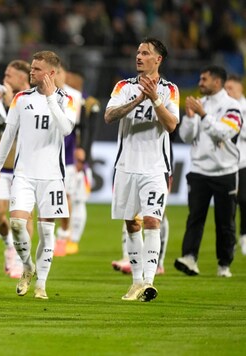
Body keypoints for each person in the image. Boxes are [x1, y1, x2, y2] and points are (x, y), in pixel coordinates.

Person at [0, 50, 77, 300]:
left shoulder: (66, 99)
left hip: (52, 177)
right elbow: (8, 134)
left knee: (47, 232)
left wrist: (50, 99)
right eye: (31, 68)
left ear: (50, 73)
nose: (31, 72)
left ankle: (42, 285)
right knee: (16, 224)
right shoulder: (20, 99)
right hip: (24, 174)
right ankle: (27, 266)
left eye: (37, 69)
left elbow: (67, 128)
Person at [104, 38, 179, 302]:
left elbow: (171, 126)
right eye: (138, 52)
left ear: (158, 59)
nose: (139, 56)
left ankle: (148, 281)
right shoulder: (124, 87)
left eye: (145, 53)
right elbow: (109, 116)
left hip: (155, 168)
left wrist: (155, 100)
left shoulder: (170, 90)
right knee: (131, 225)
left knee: (151, 221)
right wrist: (138, 100)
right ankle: (136, 282)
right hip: (126, 167)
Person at [174, 65, 242, 278]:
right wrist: (190, 117)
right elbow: (185, 137)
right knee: (195, 217)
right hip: (199, 170)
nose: (200, 82)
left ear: (217, 82)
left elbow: (225, 132)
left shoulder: (233, 106)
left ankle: (224, 264)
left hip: (225, 171)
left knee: (225, 222)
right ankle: (189, 258)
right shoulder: (199, 104)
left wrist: (203, 115)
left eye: (204, 79)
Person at [0, 59, 31, 279]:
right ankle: (9, 245)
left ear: (23, 78)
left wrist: (11, 101)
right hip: (2, 167)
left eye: (10, 75)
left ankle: (24, 261)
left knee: (24, 219)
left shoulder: (32, 99)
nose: (5, 79)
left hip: (26, 169)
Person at [52, 64, 84, 256]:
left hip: (68, 154)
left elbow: (80, 126)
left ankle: (64, 234)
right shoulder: (39, 95)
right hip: (47, 154)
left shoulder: (74, 96)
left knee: (65, 196)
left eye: (61, 72)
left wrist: (82, 149)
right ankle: (53, 237)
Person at [224, 75, 246, 256]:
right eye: (226, 88)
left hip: (244, 162)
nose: (228, 91)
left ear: (240, 89)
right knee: (228, 206)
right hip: (226, 164)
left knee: (244, 201)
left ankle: (244, 236)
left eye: (231, 88)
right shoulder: (224, 108)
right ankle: (228, 241)